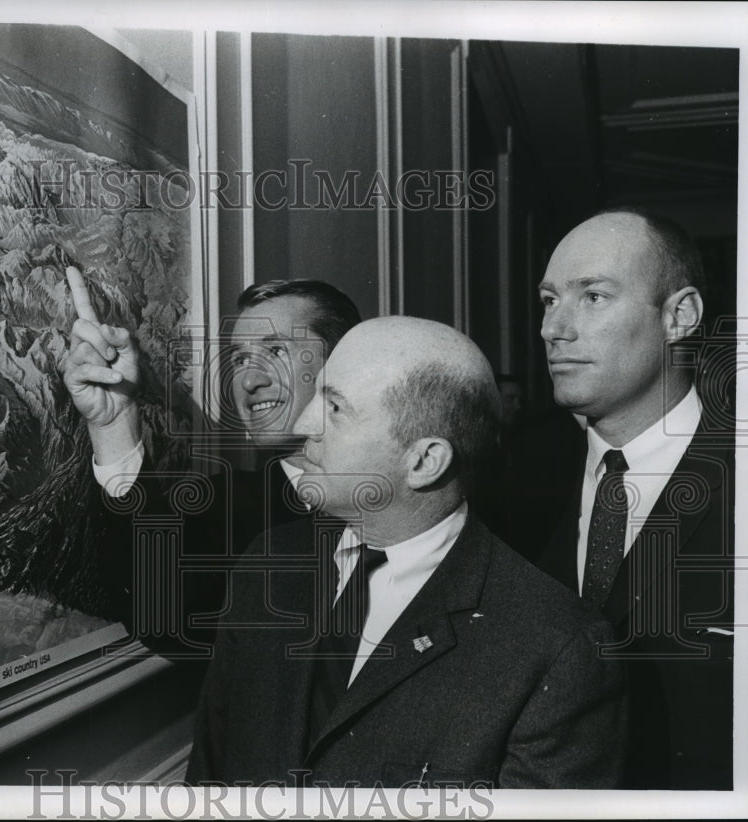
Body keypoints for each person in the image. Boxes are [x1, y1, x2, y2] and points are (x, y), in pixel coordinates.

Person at [186, 316, 626, 788]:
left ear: (423, 461)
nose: (303, 424)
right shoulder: (269, 563)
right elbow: (208, 780)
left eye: (334, 407)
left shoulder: (555, 648)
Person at [532, 208, 734, 790]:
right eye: (549, 300)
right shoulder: (509, 489)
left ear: (679, 316)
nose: (553, 329)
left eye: (593, 296)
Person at [62, 268, 361, 656]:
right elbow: (163, 615)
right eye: (240, 360)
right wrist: (115, 423)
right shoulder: (224, 511)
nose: (249, 381)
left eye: (276, 351)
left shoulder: (410, 490)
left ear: (343, 367)